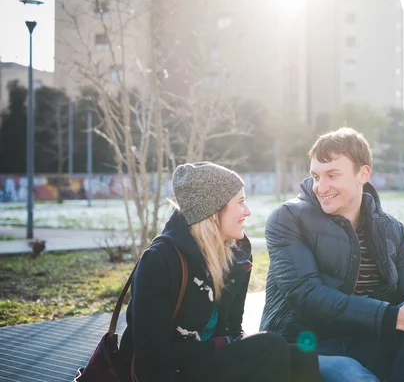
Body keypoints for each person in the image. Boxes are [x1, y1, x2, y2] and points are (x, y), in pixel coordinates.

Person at [260, 128, 404, 382]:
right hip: (305, 346)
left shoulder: (391, 229)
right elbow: (307, 294)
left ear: (363, 174)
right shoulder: (288, 218)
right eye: (316, 176)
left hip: (365, 341)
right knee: (351, 373)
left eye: (332, 175)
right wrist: (393, 317)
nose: (320, 186)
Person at [120, 162, 321, 382]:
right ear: (213, 211)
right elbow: (152, 358)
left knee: (302, 355)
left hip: (206, 363)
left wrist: (235, 345)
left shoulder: (237, 256)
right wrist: (230, 347)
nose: (248, 211)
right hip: (168, 373)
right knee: (270, 347)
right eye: (241, 202)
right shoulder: (160, 261)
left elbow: (232, 329)